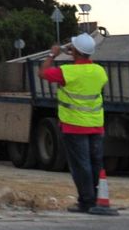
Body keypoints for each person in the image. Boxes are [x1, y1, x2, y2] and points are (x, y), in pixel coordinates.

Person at [40, 32, 111, 214]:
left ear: (75, 51)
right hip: (96, 124)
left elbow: (43, 73)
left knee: (81, 165)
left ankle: (86, 201)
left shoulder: (68, 72)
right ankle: (96, 198)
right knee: (95, 163)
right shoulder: (99, 71)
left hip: (74, 126)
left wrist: (52, 55)